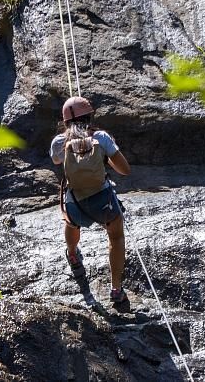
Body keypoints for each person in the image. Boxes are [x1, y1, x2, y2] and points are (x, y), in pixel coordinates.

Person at [50, 96, 131, 303]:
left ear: (65, 120)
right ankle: (116, 289)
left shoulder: (59, 142)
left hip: (75, 202)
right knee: (116, 237)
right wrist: (105, 158)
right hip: (103, 199)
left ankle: (73, 254)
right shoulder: (102, 138)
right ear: (90, 116)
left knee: (70, 222)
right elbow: (125, 170)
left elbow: (56, 160)